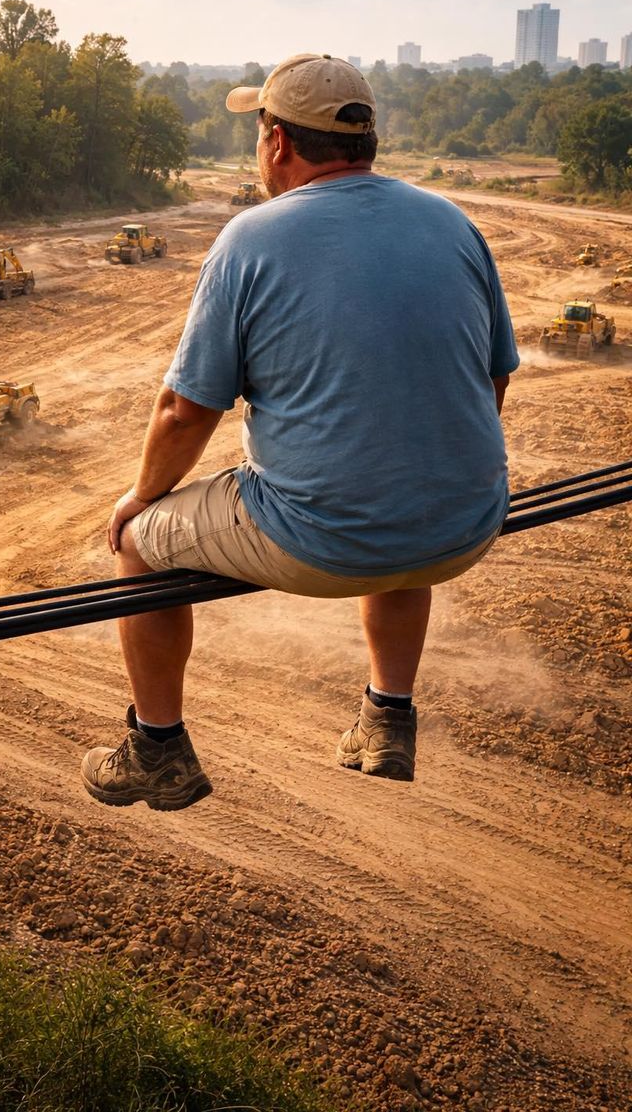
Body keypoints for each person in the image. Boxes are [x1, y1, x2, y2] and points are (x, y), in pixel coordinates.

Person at [81, 52, 519, 813]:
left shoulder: (251, 239)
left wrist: (138, 499)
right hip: (466, 525)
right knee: (400, 485)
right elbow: (495, 379)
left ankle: (157, 748)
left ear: (278, 143)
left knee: (138, 545)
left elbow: (185, 413)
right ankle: (389, 718)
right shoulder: (454, 222)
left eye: (257, 130)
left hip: (319, 541)